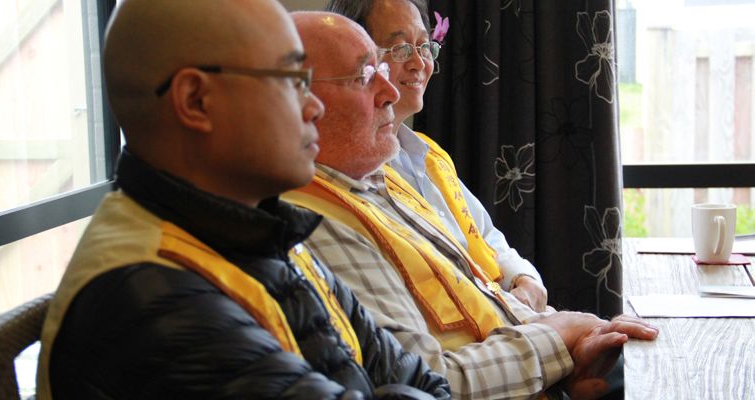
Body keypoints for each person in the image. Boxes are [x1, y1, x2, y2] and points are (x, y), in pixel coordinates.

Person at [34, 1, 451, 399]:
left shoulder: (256, 229)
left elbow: (427, 381)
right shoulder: (152, 300)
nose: (314, 107)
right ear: (197, 101)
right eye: (292, 80)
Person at [286, 11, 658, 399]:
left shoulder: (385, 178)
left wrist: (567, 338)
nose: (392, 90)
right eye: (366, 74)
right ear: (300, 102)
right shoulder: (313, 218)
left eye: (424, 46)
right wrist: (557, 340)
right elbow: (424, 383)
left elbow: (482, 250)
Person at [324, 0, 549, 312]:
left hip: (510, 309)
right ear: (357, 61)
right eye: (400, 48)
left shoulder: (427, 154)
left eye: (424, 46)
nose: (418, 62)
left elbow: (483, 234)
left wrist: (523, 280)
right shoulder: (354, 173)